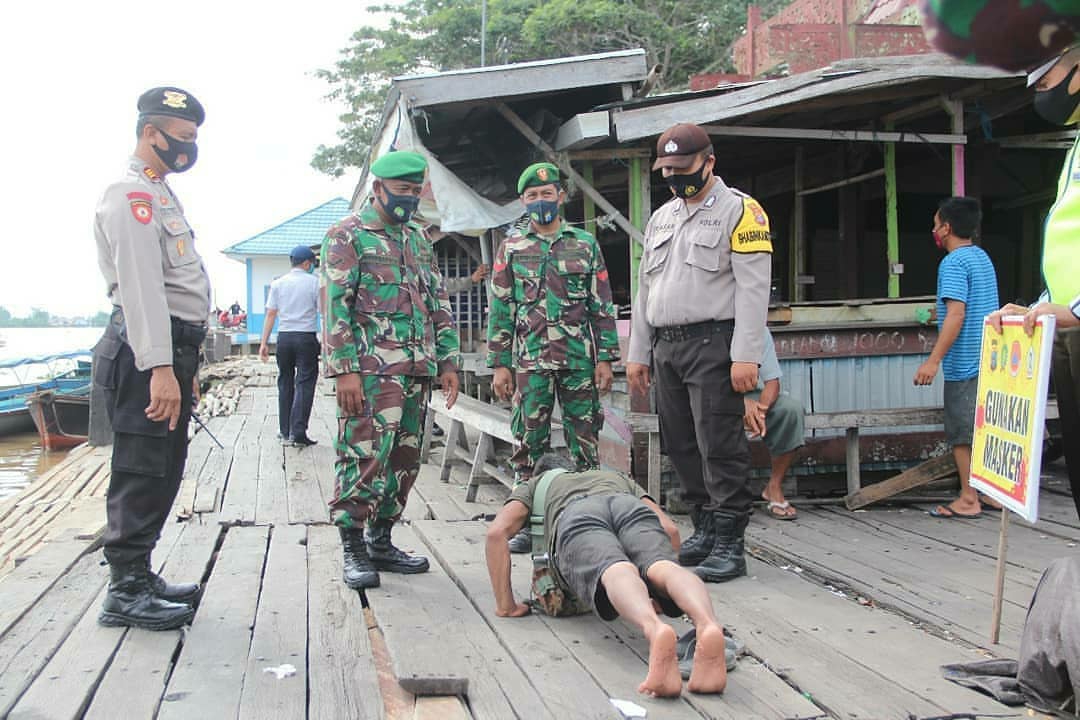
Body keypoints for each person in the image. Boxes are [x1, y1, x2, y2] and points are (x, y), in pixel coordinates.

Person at [626, 123, 773, 583]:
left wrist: (748, 355)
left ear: (709, 162)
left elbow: (754, 288)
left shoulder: (742, 211)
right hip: (667, 347)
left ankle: (731, 541)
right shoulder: (661, 217)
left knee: (719, 443)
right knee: (681, 443)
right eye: (666, 169)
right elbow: (645, 287)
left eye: (682, 168)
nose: (673, 177)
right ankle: (705, 527)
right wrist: (638, 352)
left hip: (715, 343)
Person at [92, 87, 211, 630]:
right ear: (150, 134)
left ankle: (140, 573)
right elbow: (141, 289)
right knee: (141, 467)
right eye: (182, 139)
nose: (188, 149)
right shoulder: (131, 195)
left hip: (171, 352)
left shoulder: (160, 194)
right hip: (149, 353)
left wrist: (182, 367)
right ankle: (125, 589)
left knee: (165, 466)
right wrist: (160, 368)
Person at [321, 150, 461, 589]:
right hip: (369, 374)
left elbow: (437, 300)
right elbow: (334, 306)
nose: (409, 200)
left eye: (415, 192)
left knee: (405, 460)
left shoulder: (418, 239)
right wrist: (344, 369)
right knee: (363, 456)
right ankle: (354, 546)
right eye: (402, 191)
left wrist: (449, 360)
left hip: (417, 369)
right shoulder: (348, 235)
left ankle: (382, 540)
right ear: (377, 189)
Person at [485, 453, 729, 698]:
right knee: (663, 566)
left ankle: (654, 629)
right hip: (625, 503)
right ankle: (707, 624)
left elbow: (496, 534)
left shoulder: (537, 485)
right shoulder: (615, 476)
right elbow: (670, 530)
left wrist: (507, 606)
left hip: (578, 513)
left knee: (615, 568)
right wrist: (655, 595)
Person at [487, 162, 620, 553]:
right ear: (523, 202)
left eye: (547, 195)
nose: (541, 202)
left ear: (561, 197)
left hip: (579, 360)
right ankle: (527, 521)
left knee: (585, 443)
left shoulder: (585, 244)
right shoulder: (511, 248)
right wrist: (500, 363)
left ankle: (589, 518)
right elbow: (501, 308)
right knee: (529, 444)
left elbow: (602, 305)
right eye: (532, 197)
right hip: (530, 364)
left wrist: (605, 358)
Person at [985, 49, 1080, 519]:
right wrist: (1040, 305)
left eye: (1048, 76)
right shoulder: (1075, 147)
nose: (1037, 89)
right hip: (1066, 329)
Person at [913, 197, 1000, 519]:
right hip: (991, 360)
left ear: (946, 228)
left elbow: (958, 314)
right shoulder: (982, 258)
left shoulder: (952, 263)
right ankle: (992, 493)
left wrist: (933, 360)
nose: (934, 230)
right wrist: (935, 312)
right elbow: (973, 305)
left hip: (965, 360)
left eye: (936, 224)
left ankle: (967, 498)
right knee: (985, 429)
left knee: (962, 433)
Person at [259, 245, 321, 446]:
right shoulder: (315, 283)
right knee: (304, 382)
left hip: (284, 337)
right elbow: (324, 312)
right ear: (306, 263)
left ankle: (284, 430)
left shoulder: (278, 283)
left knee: (285, 381)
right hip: (305, 336)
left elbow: (271, 314)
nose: (312, 266)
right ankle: (298, 431)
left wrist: (263, 343)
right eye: (312, 263)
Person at [744, 327, 805, 520]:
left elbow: (772, 381)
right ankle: (726, 495)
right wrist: (740, 404)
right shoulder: (710, 328)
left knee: (790, 410)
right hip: (711, 395)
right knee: (717, 415)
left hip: (754, 395)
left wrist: (760, 410)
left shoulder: (758, 330)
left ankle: (774, 486)